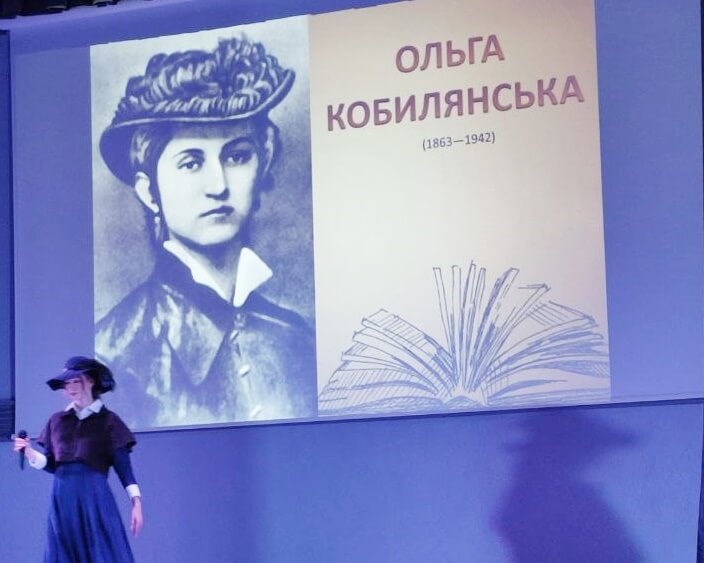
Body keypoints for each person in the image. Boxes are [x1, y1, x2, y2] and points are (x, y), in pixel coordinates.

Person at [95, 36, 317, 428]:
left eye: (237, 156)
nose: (218, 184)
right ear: (149, 191)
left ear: (262, 164)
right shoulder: (112, 352)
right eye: (191, 162)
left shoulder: (297, 337)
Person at [14, 356, 143, 563]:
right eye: (67, 382)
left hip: (93, 497)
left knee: (101, 552)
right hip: (63, 497)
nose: (71, 387)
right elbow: (52, 463)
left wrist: (136, 503)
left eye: (76, 381)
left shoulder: (109, 421)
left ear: (91, 381)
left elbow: (124, 468)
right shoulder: (57, 421)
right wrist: (29, 452)